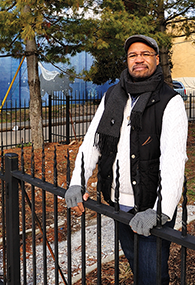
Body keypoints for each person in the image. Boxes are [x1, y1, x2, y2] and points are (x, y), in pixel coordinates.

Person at [65, 34, 188, 284]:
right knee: (135, 264)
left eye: (145, 54)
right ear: (127, 61)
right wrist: (77, 181)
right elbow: (92, 141)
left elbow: (174, 161)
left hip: (151, 208)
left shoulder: (170, 101)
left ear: (156, 59)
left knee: (152, 277)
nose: (139, 59)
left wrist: (159, 212)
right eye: (133, 55)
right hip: (119, 204)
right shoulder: (113, 95)